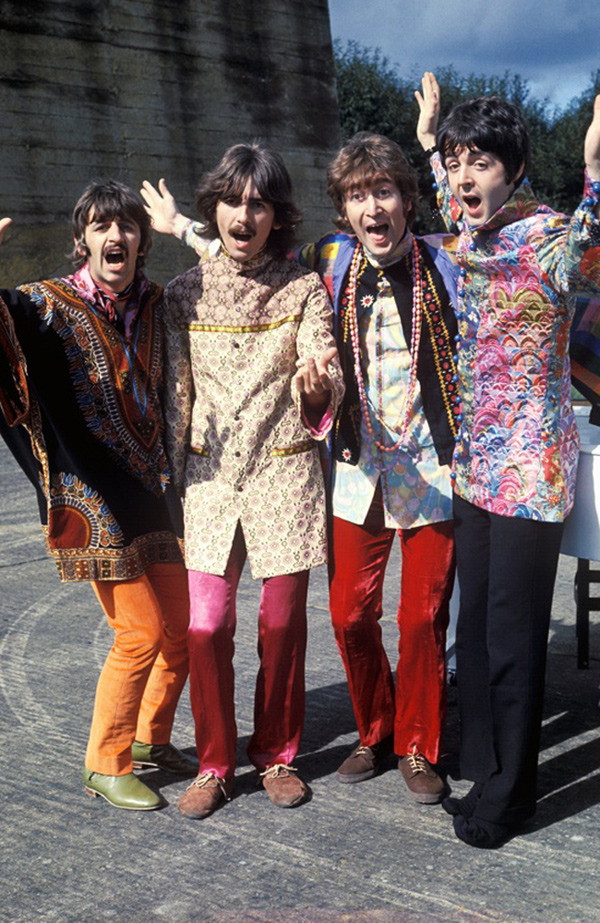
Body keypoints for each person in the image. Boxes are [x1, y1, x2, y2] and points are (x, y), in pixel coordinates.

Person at [143, 131, 461, 805]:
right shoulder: (303, 267)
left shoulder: (414, 267)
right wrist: (178, 229)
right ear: (341, 209)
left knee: (394, 619)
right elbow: (226, 268)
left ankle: (368, 748)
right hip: (292, 472)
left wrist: (317, 387)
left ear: (406, 199)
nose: (371, 207)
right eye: (356, 195)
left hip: (378, 470)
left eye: (383, 191)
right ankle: (252, 755)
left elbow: (323, 359)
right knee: (271, 621)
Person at [415, 72, 600, 847]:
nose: (464, 177)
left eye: (481, 162)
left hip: (531, 473)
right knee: (478, 627)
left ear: (515, 170)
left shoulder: (549, 238)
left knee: (514, 637)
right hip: (476, 466)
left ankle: (512, 797)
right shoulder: (469, 233)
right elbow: (447, 191)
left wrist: (595, 171)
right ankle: (485, 767)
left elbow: (591, 241)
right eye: (459, 162)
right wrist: (432, 141)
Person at [153, 142, 344, 820]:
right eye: (232, 202)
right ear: (214, 208)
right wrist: (171, 481)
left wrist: (317, 387)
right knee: (206, 626)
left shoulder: (302, 287)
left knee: (282, 621)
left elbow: (324, 360)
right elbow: (176, 392)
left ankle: (277, 754)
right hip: (209, 479)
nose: (244, 215)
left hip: (283, 472)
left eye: (258, 204)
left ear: (277, 215)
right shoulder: (184, 292)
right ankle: (214, 762)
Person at [0, 181, 196, 812]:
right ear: (81, 239)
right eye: (100, 226)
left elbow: (234, 276)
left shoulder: (160, 304)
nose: (115, 236)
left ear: (141, 239)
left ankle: (150, 739)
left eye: (126, 225)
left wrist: (187, 228)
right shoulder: (44, 306)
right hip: (91, 501)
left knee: (183, 629)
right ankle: (104, 763)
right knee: (139, 632)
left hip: (153, 494)